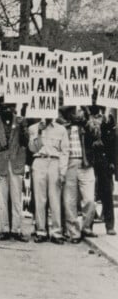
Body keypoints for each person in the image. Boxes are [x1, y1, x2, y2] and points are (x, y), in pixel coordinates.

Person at [0, 97, 29, 242]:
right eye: (3, 107)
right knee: (2, 200)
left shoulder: (20, 121)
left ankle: (16, 230)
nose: (7, 109)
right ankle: (3, 229)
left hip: (16, 164)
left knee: (17, 199)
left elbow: (25, 142)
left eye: (9, 106)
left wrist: (24, 126)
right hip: (1, 165)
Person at [27, 115, 69, 244]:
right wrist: (39, 132)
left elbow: (64, 151)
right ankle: (41, 231)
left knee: (55, 198)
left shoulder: (61, 129)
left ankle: (56, 232)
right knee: (40, 199)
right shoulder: (33, 128)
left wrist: (62, 171)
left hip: (55, 162)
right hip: (39, 160)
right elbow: (32, 148)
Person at [59, 105, 98, 243]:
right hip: (69, 164)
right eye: (76, 111)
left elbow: (96, 134)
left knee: (89, 200)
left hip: (86, 165)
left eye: (81, 111)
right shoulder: (64, 127)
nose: (79, 114)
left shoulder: (88, 126)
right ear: (70, 114)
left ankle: (86, 227)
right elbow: (61, 110)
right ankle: (74, 233)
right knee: (69, 200)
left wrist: (87, 115)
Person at [87, 105, 115, 235]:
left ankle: (109, 225)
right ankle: (89, 225)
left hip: (103, 158)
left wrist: (112, 161)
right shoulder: (85, 117)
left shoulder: (107, 118)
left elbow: (112, 140)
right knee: (90, 193)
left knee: (107, 193)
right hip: (90, 158)